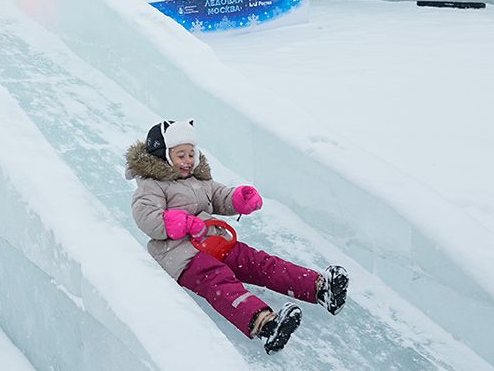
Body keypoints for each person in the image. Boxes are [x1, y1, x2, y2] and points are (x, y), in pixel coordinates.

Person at [127, 119, 347, 355]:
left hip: (213, 241)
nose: (188, 161)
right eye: (181, 155)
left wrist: (239, 199)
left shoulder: (199, 180)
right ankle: (265, 324)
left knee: (258, 262)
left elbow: (220, 195)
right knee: (219, 280)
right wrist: (178, 222)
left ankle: (319, 288)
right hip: (181, 254)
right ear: (163, 155)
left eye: (191, 154)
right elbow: (146, 217)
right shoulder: (151, 185)